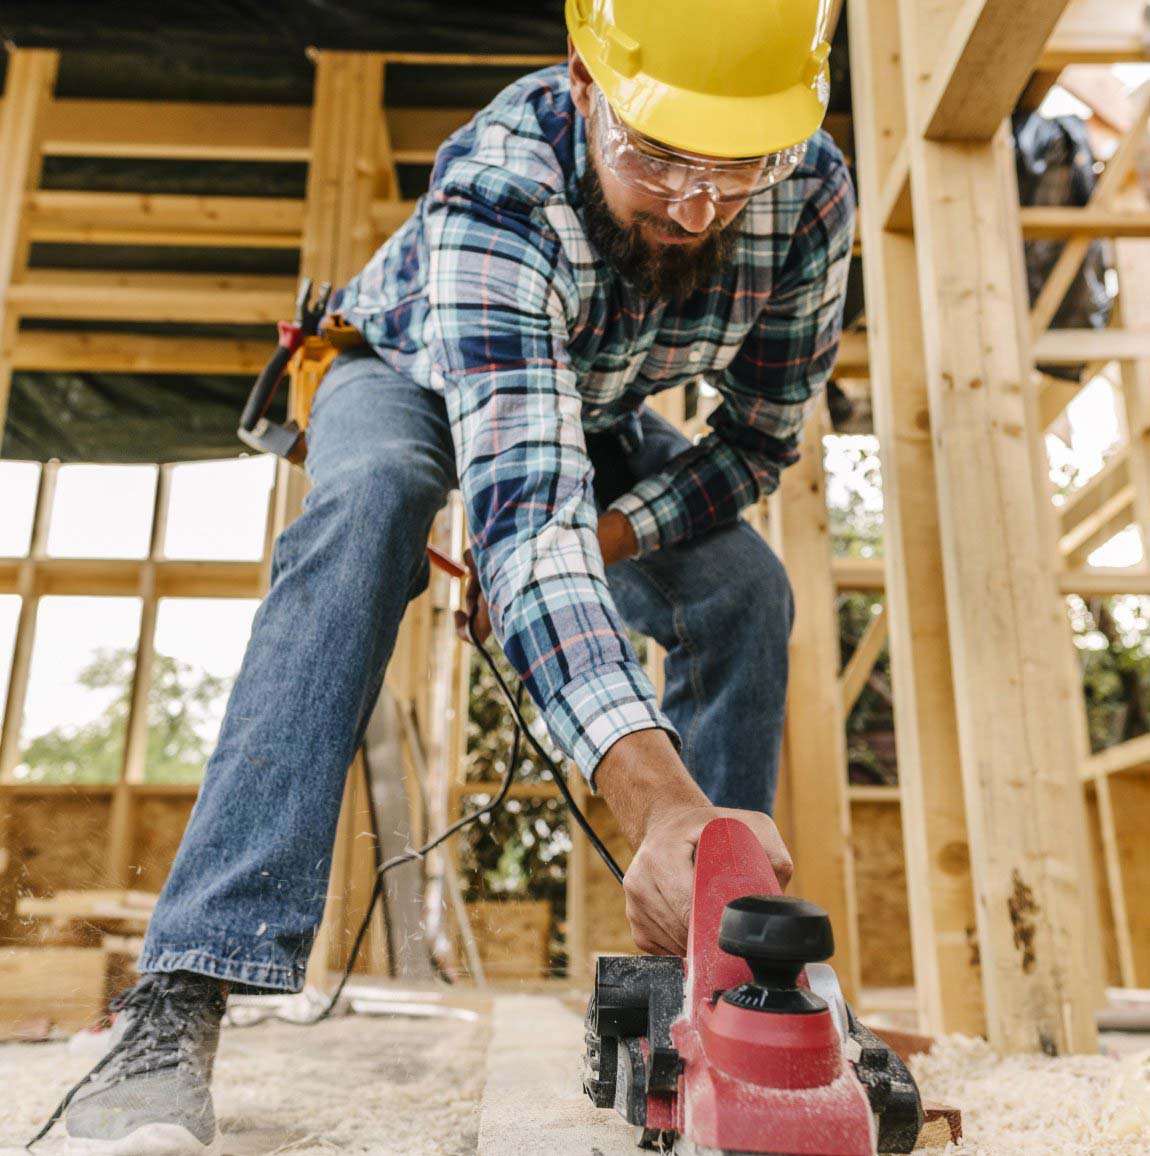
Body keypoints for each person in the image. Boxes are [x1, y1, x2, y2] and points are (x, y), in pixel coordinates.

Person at [48, 3, 854, 1153]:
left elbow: (756, 444)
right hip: (412, 372)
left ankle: (719, 978)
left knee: (745, 592)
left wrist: (610, 536)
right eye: (661, 155)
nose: (694, 207)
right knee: (370, 505)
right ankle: (178, 994)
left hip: (595, 412)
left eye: (736, 170)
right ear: (584, 84)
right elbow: (524, 517)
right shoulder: (500, 179)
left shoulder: (812, 191)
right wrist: (659, 801)